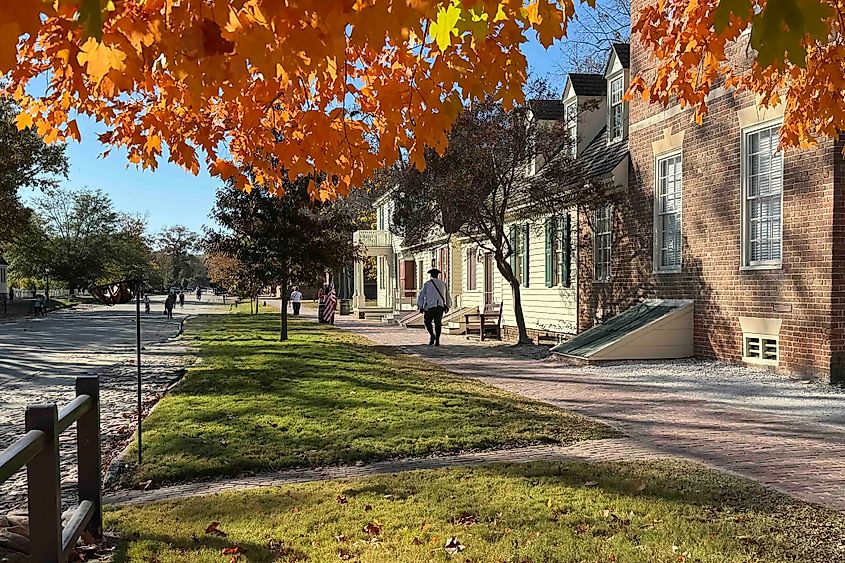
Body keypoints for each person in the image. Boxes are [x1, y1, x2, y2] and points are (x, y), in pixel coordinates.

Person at [416, 268, 451, 346]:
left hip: (430, 307)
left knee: (427, 322)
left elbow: (421, 296)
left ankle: (432, 335)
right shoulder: (443, 283)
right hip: (440, 306)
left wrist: (420, 306)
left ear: (431, 275)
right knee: (438, 323)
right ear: (437, 275)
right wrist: (448, 305)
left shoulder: (427, 284)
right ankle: (437, 339)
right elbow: (447, 296)